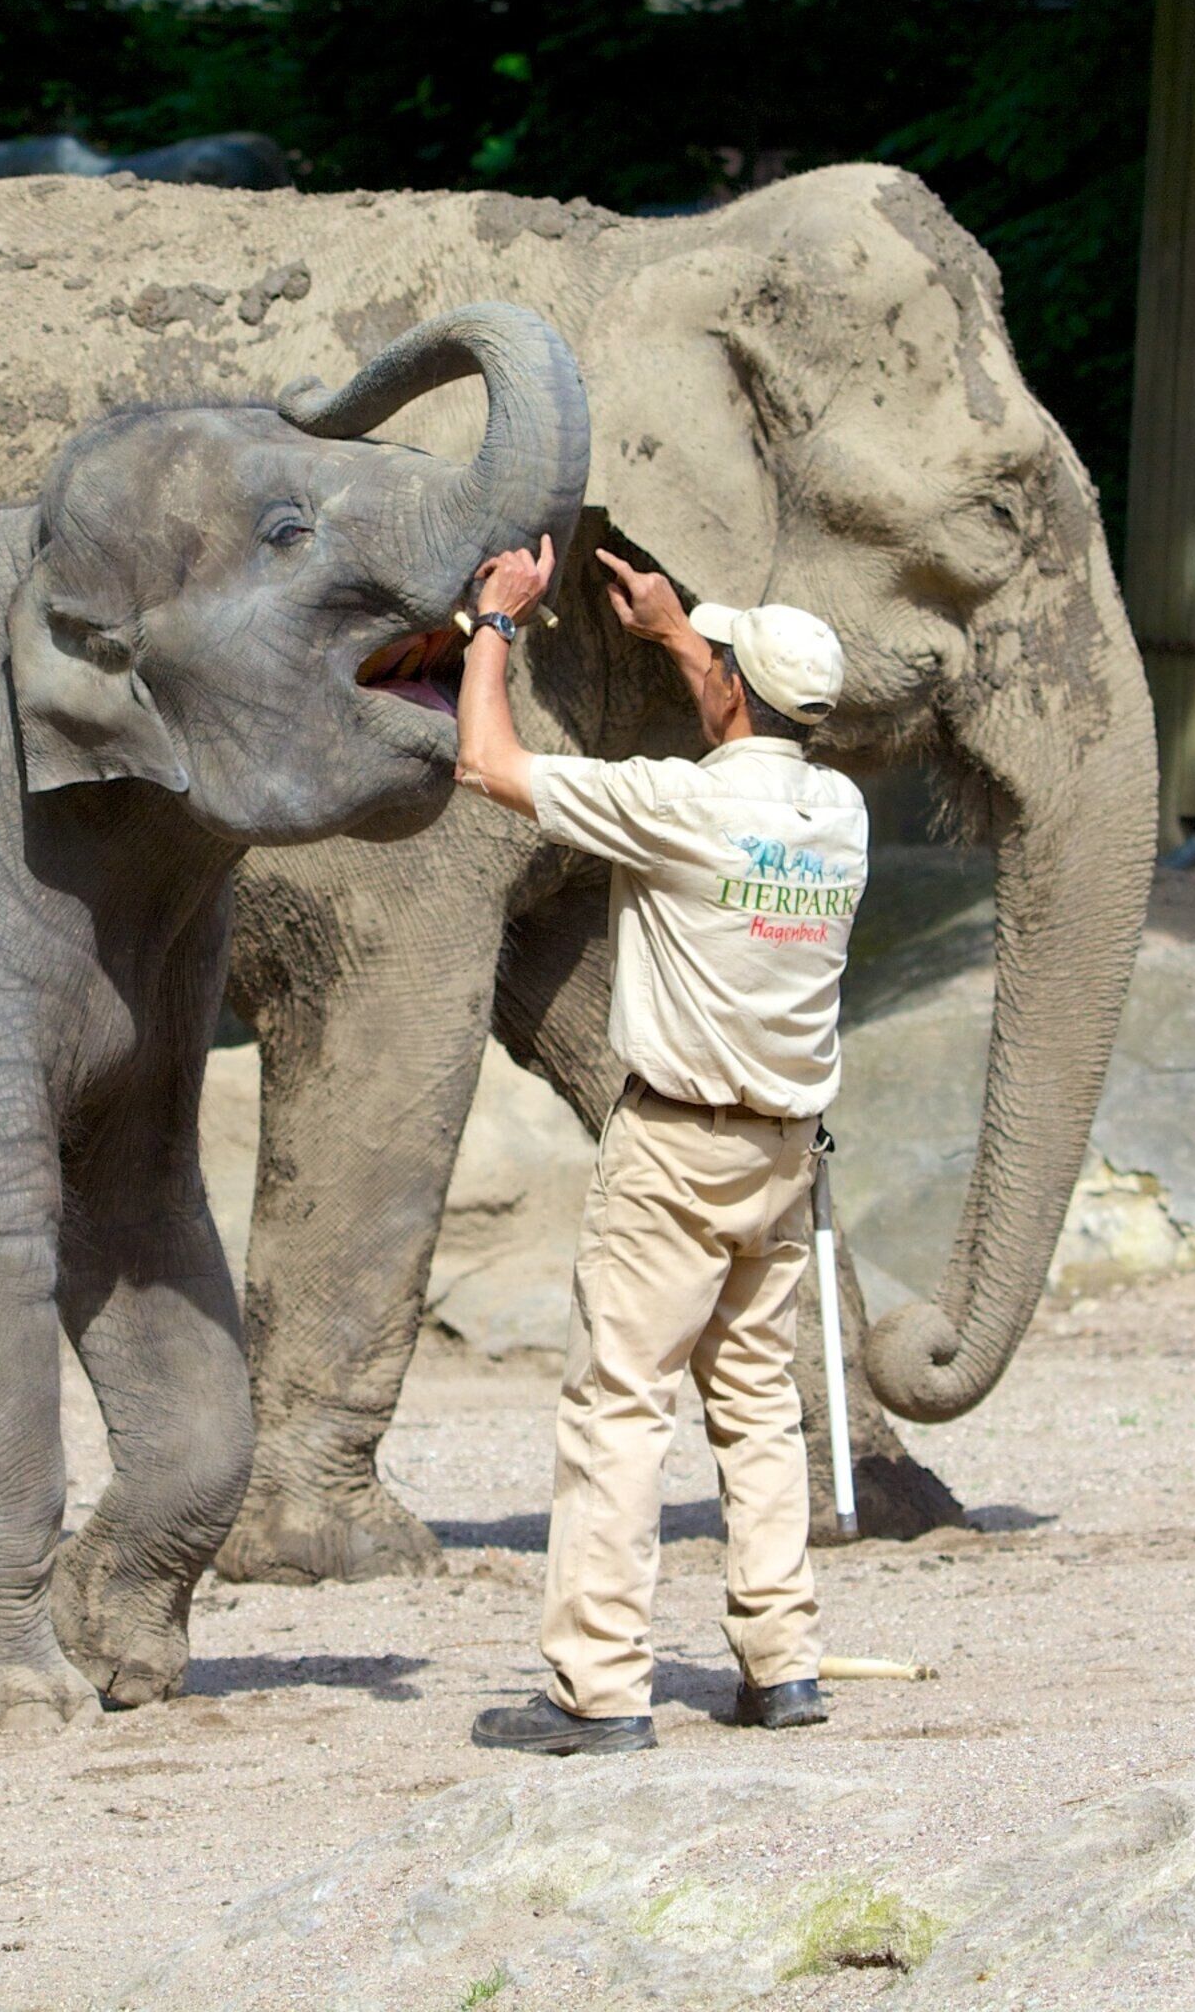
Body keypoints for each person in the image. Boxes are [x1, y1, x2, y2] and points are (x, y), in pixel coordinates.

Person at [445, 533, 868, 1756]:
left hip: (676, 1155)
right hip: (783, 1157)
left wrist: (498, 625)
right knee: (755, 1407)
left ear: (736, 689)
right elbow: (759, 712)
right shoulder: (836, 815)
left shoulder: (680, 808)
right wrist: (685, 633)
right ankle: (783, 1664)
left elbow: (488, 761)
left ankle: (598, 1689)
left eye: (717, 663)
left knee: (618, 1408)